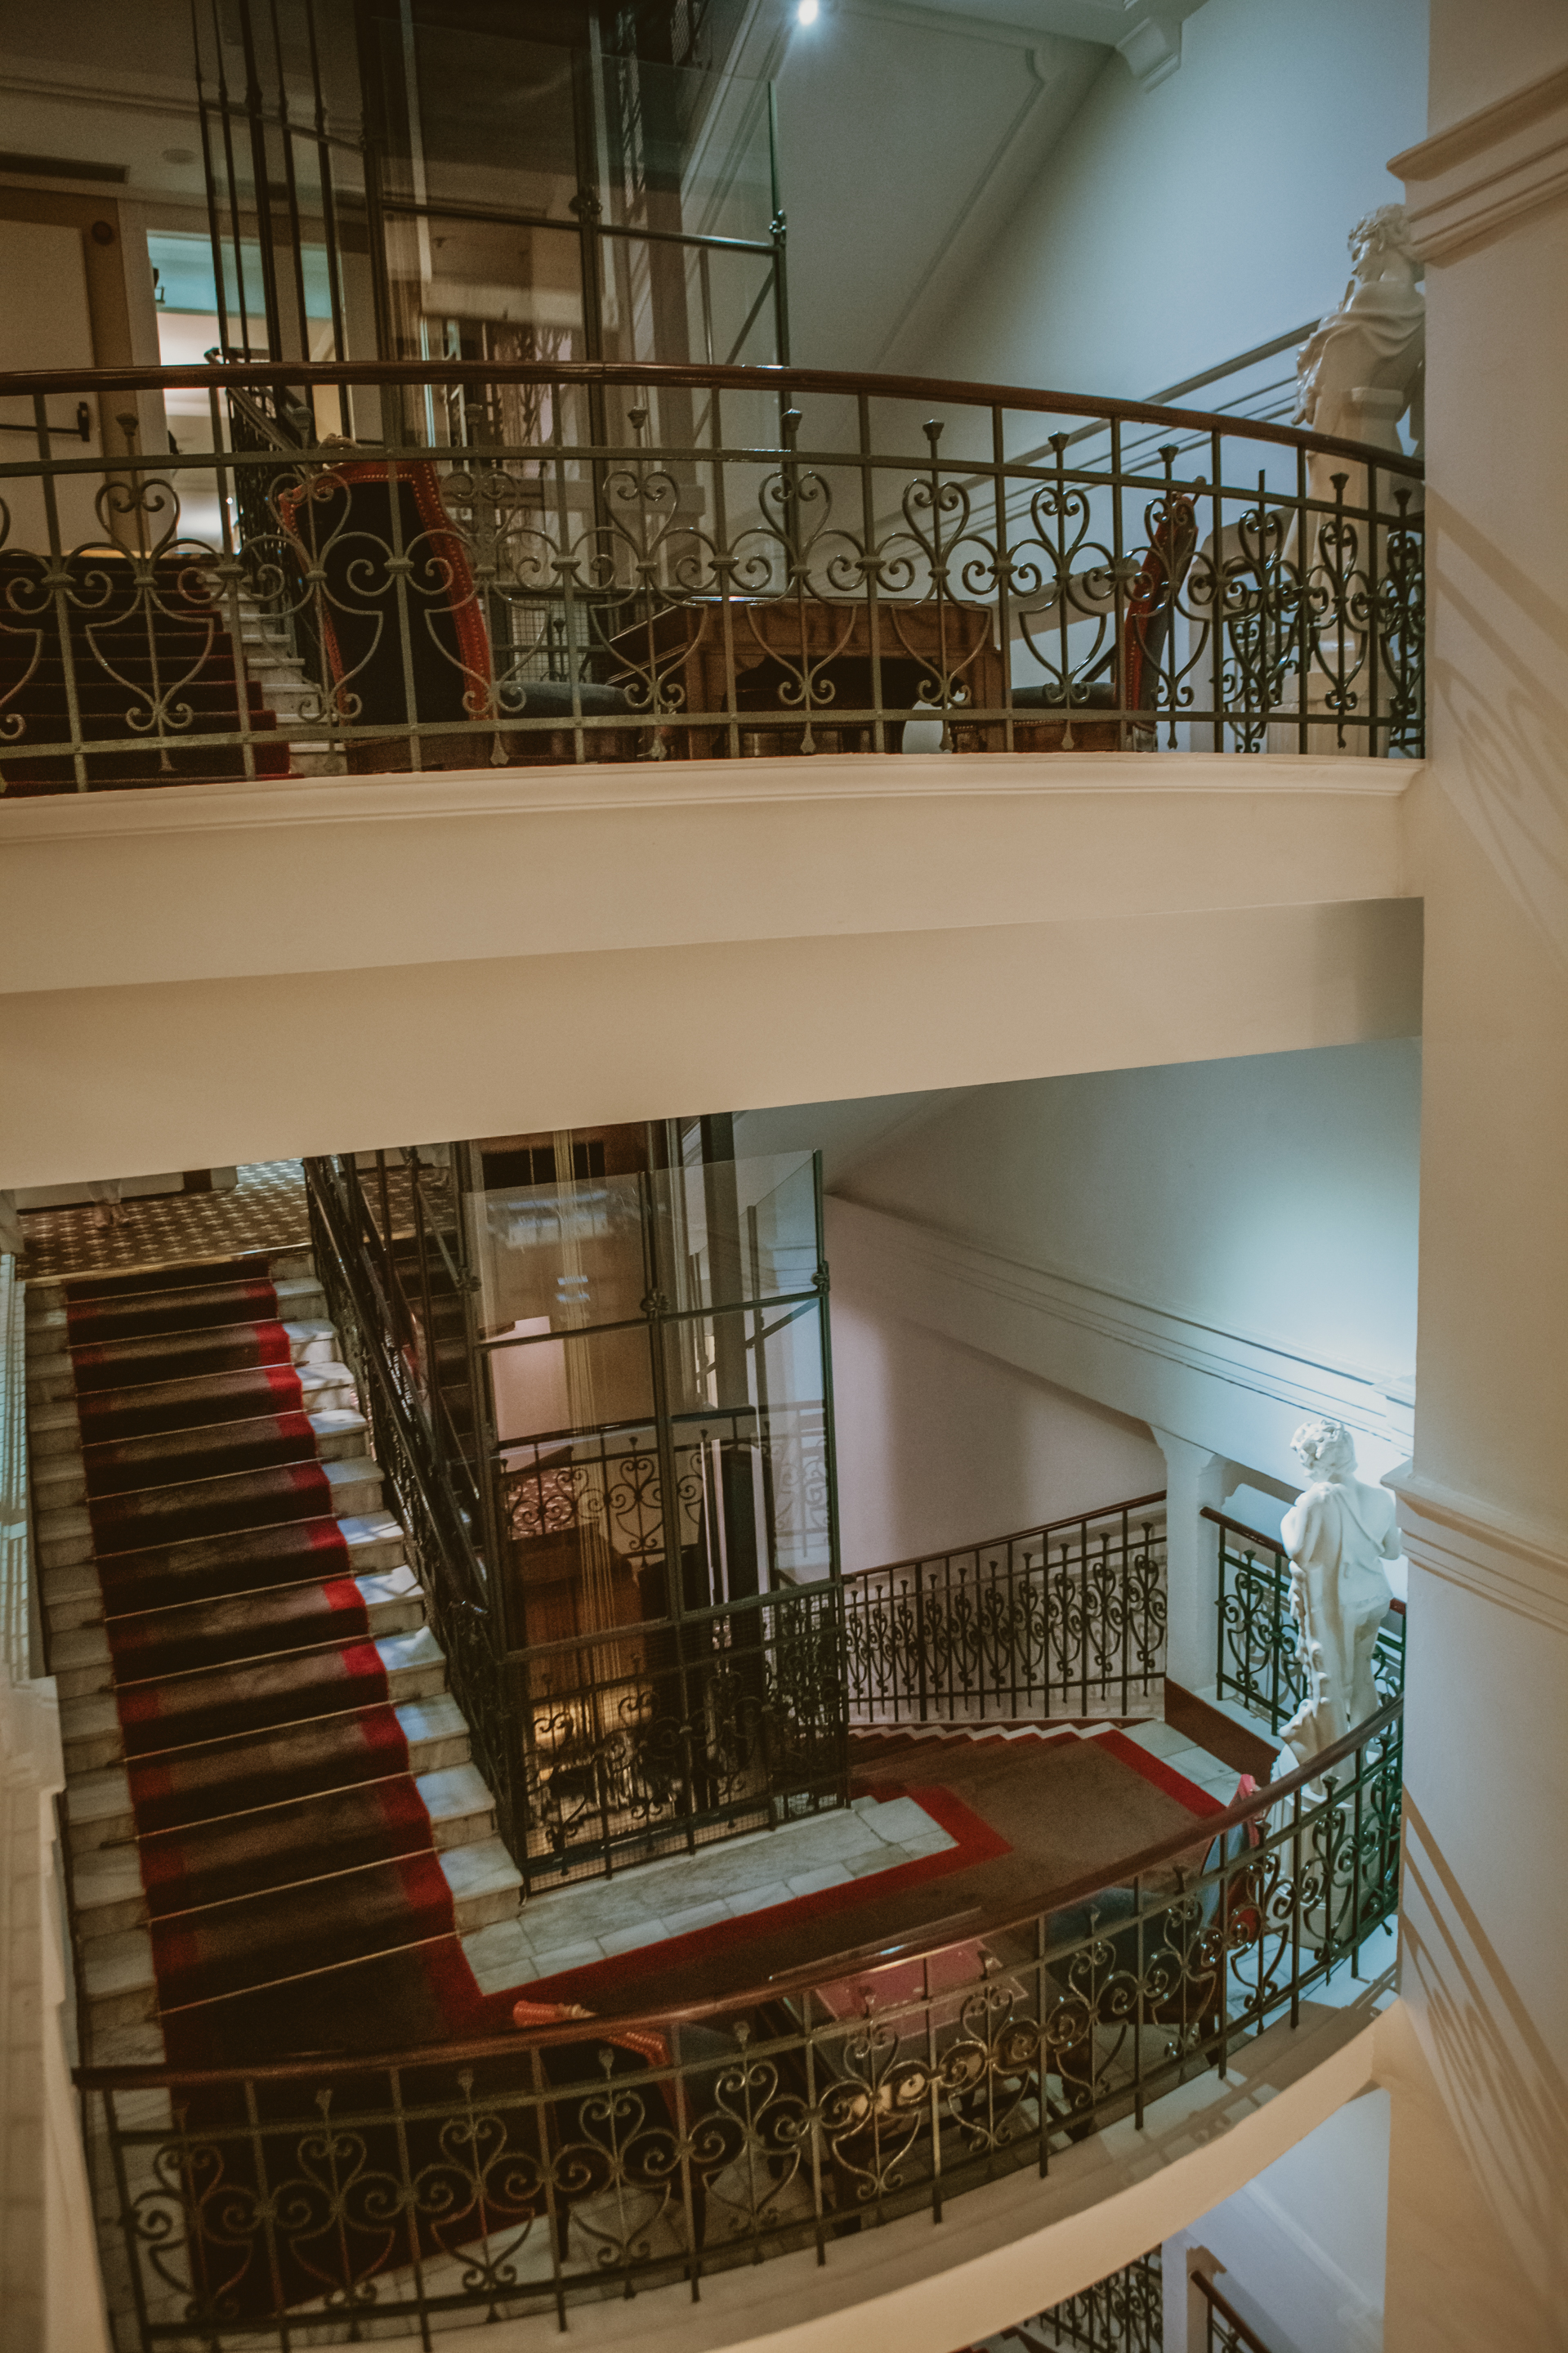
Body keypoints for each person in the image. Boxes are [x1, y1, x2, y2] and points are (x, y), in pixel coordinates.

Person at [1275, 1417, 1404, 1775]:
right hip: (1375, 1595)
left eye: (1305, 1461)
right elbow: (1393, 1551)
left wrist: (1289, 1518)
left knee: (1334, 1680)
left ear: (1318, 1461)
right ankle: (1367, 1748)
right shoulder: (1380, 1496)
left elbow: (1299, 1551)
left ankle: (1338, 1762)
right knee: (1362, 1672)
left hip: (1340, 1602)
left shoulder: (1318, 1499)